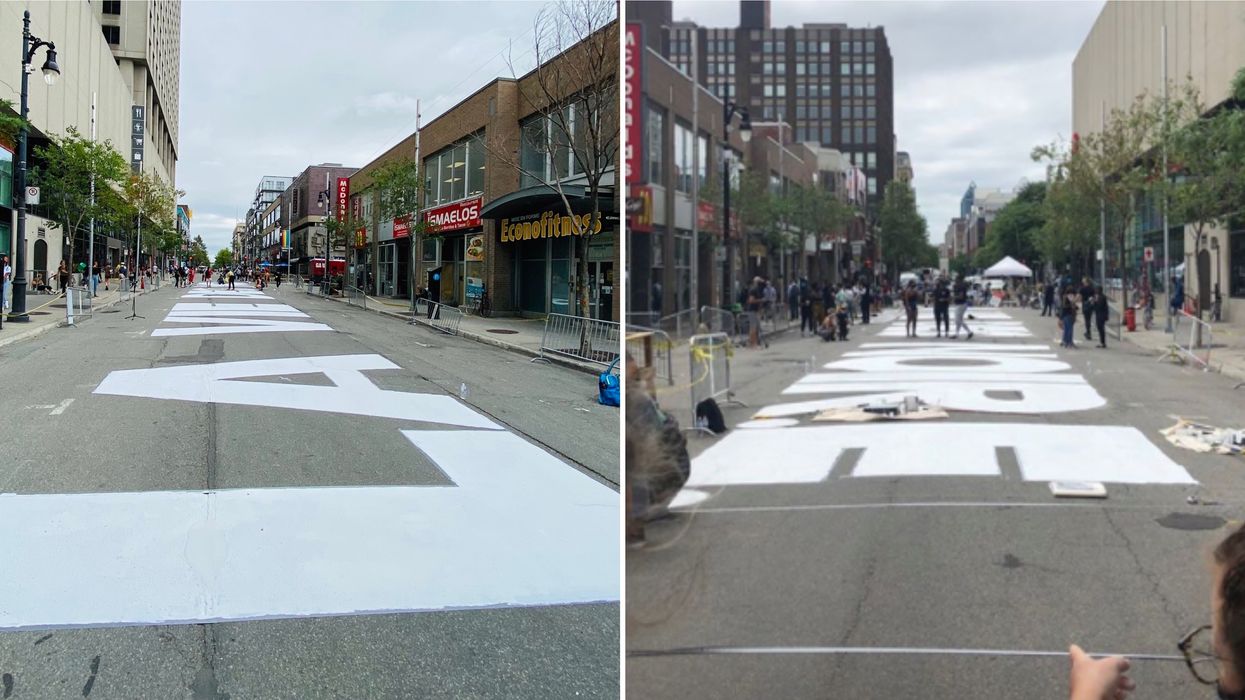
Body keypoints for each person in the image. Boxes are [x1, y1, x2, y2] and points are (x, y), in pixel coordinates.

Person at [951, 275, 974, 340]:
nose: (955, 281)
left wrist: (953, 297)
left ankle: (969, 332)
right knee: (958, 320)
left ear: (959, 280)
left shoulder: (961, 286)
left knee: (957, 320)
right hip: (961, 304)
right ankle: (957, 333)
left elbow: (961, 296)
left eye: (956, 279)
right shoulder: (959, 286)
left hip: (961, 304)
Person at [1079, 277, 1096, 342]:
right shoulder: (1092, 288)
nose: (1082, 281)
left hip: (1085, 305)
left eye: (1083, 280)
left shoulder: (1082, 288)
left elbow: (1079, 296)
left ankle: (1088, 333)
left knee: (1087, 320)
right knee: (1088, 319)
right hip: (1090, 306)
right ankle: (1088, 332)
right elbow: (1094, 297)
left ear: (1086, 281)